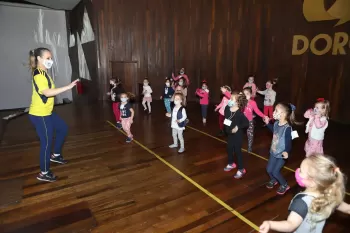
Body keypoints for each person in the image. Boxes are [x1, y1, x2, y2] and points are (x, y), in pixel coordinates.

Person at [259, 154, 350, 233]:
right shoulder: (329, 195)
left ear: (311, 182)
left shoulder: (301, 202)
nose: (297, 171)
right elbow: (347, 209)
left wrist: (270, 224)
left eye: (301, 171)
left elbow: (290, 225)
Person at [28, 47, 79, 182]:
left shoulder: (44, 73)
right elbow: (47, 92)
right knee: (46, 142)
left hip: (47, 112)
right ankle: (44, 173)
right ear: (39, 59)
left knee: (63, 128)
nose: (50, 61)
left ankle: (55, 155)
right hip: (40, 115)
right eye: (47, 58)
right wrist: (68, 87)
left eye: (51, 58)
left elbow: (50, 90)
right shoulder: (39, 74)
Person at [263, 103, 302, 195]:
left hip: (281, 154)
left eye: (276, 110)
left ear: (283, 114)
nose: (273, 112)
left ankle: (284, 184)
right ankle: (273, 180)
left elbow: (289, 142)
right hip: (273, 151)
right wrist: (268, 123)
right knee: (269, 170)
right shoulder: (276, 123)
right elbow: (274, 131)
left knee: (276, 171)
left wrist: (286, 151)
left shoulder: (287, 128)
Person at [223, 92, 249, 179]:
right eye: (230, 98)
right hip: (229, 134)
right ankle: (231, 163)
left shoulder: (239, 114)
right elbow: (226, 119)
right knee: (229, 148)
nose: (229, 100)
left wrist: (238, 127)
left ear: (238, 102)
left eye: (232, 99)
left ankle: (241, 169)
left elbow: (246, 123)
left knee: (237, 151)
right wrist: (227, 129)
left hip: (237, 135)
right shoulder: (227, 108)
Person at [243, 87, 268, 152]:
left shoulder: (253, 102)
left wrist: (264, 116)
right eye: (244, 94)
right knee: (238, 133)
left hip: (249, 121)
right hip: (241, 121)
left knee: (250, 134)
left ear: (251, 95)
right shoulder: (241, 102)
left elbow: (257, 111)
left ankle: (249, 146)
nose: (245, 95)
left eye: (247, 94)